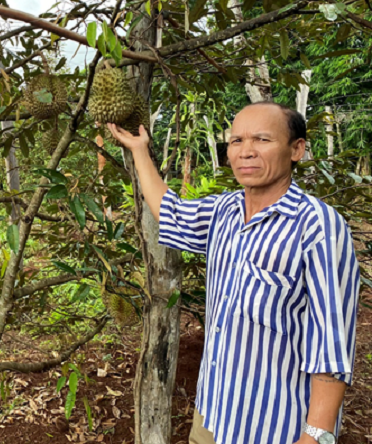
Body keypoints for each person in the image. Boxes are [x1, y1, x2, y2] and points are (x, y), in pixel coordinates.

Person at [108, 102, 360, 444]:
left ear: (296, 149)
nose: (246, 152)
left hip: (274, 427)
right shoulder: (224, 210)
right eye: (237, 141)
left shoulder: (318, 226)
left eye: (262, 140)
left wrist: (316, 435)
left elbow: (330, 345)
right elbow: (171, 213)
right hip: (214, 414)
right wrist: (139, 150)